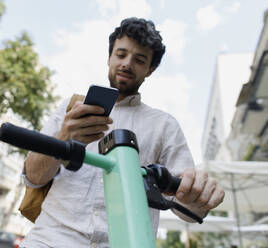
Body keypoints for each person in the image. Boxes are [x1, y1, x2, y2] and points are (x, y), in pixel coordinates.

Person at [21, 17, 225, 247]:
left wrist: (199, 198)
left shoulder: (164, 125)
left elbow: (188, 209)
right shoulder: (71, 109)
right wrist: (63, 138)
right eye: (121, 54)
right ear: (109, 57)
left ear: (150, 69)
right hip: (50, 241)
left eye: (139, 59)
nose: (127, 64)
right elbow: (33, 178)